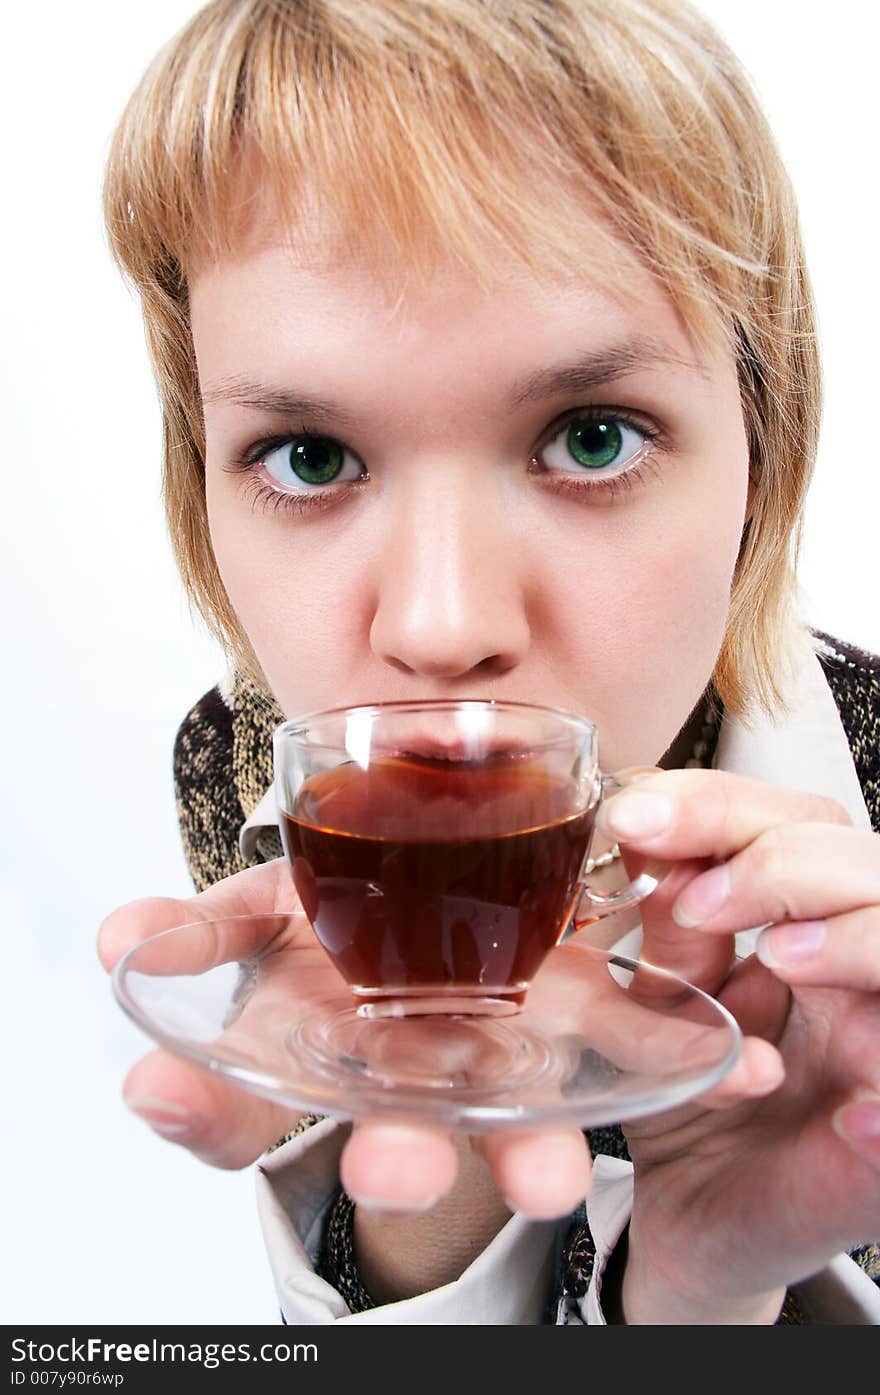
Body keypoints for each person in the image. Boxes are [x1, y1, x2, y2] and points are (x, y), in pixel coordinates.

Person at [98, 0, 880, 1324]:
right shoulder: (248, 767)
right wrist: (439, 1146)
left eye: (589, 437)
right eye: (311, 457)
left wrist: (740, 1290)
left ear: (763, 446)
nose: (445, 624)